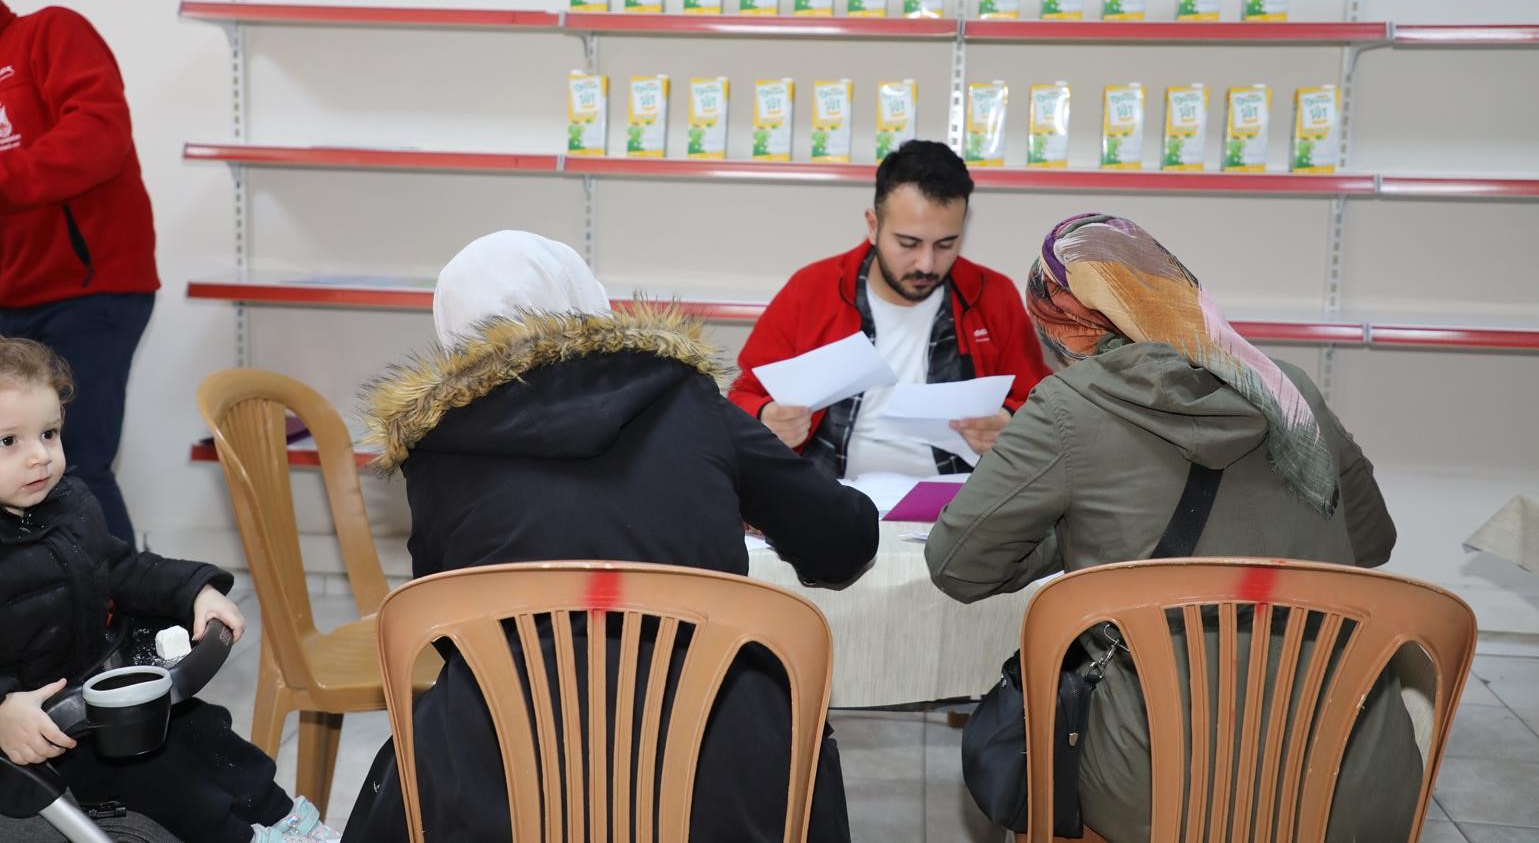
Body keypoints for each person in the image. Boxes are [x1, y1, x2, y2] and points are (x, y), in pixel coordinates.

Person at [343, 231, 878, 843]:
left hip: (500, 784)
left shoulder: (436, 450)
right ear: (585, 298)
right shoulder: (686, 398)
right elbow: (843, 543)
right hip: (720, 775)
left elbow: (445, 621)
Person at [924, 213, 1421, 843]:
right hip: (1352, 782)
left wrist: (1077, 534)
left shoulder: (1067, 409)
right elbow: (1373, 543)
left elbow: (957, 565)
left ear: (1061, 327)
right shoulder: (1289, 389)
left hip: (1163, 791)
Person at [0, 336, 340, 843]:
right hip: (42, 738)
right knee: (169, 782)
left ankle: (289, 823)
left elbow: (125, 569)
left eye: (49, 434)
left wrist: (196, 591)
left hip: (99, 702)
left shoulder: (71, 505)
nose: (40, 458)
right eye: (9, 442)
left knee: (204, 732)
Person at [729, 140, 1051, 479]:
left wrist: (1009, 421)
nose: (926, 264)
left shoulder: (992, 295)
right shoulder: (812, 289)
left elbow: (1041, 404)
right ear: (873, 226)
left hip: (957, 506)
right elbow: (741, 395)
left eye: (946, 245)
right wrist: (766, 415)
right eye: (908, 244)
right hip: (831, 498)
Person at [0, 0, 159, 545]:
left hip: (91, 290)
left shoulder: (48, 32)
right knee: (16, 473)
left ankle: (132, 620)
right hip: (11, 296)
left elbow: (98, 138)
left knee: (74, 467)